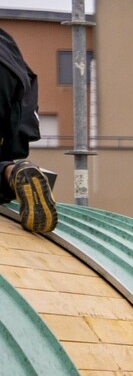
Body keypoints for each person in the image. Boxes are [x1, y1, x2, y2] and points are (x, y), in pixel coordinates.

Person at [0, 26, 59, 233]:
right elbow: (28, 81)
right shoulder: (5, 39)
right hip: (11, 81)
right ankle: (14, 173)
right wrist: (13, 150)